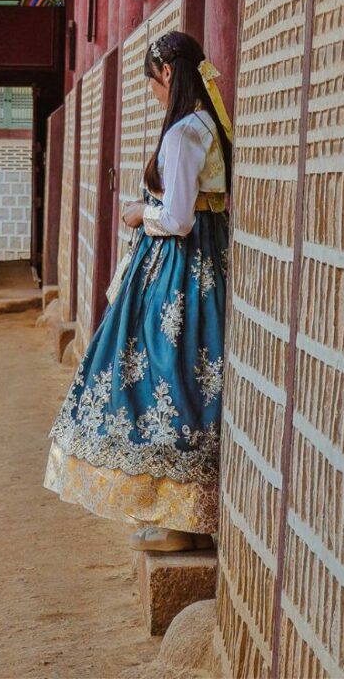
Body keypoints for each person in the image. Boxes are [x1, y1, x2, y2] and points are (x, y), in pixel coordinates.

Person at [44, 30, 232, 551]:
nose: (152, 92)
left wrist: (137, 214)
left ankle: (176, 522)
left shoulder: (181, 134)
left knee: (158, 376)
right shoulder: (210, 127)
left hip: (177, 270)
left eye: (152, 82)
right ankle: (187, 515)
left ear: (167, 74)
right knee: (193, 384)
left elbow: (176, 219)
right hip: (210, 268)